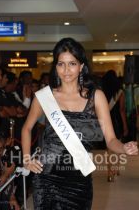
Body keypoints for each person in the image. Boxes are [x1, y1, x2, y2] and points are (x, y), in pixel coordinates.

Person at [21, 38, 138, 210]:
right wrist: (26, 159)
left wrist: (124, 148)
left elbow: (111, 140)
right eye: (61, 64)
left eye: (72, 63)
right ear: (55, 66)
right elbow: (27, 128)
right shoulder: (43, 97)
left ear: (81, 66)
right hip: (46, 179)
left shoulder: (96, 97)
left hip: (79, 180)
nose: (66, 70)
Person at [0, 133, 20, 210]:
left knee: (10, 203)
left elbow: (8, 180)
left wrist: (12, 197)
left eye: (1, 148)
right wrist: (6, 174)